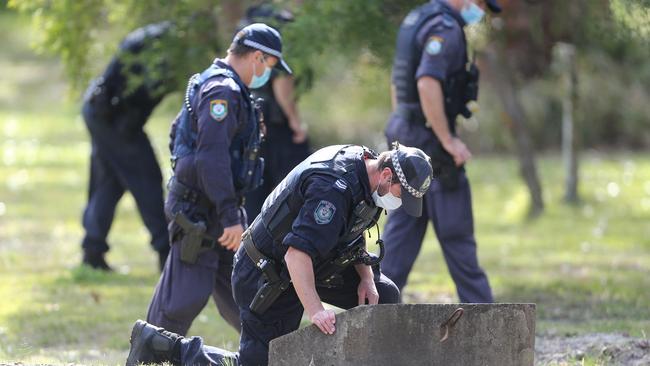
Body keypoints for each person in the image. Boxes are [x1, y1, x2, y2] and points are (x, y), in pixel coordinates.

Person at [126, 143, 434, 366]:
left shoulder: (367, 176)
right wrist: (316, 311)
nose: (399, 203)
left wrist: (366, 277)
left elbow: (354, 231)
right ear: (388, 175)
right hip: (266, 273)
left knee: (383, 295)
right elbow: (296, 255)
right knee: (263, 364)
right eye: (401, 195)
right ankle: (161, 345)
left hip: (316, 263)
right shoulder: (333, 187)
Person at [144, 23, 290, 337]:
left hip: (218, 211)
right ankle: (148, 357)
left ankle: (270, 354)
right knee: (181, 300)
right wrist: (228, 215)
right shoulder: (222, 91)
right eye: (271, 66)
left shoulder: (219, 84)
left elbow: (179, 136)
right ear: (257, 57)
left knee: (248, 299)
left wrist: (230, 212)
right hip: (200, 214)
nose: (269, 75)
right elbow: (210, 156)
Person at [382, 0, 502, 303]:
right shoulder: (445, 28)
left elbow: (398, 81)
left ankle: (370, 319)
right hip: (431, 146)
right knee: (458, 237)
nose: (480, 11)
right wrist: (447, 140)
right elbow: (426, 82)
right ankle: (484, 324)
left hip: (405, 132)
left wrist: (406, 124)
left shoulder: (418, 18)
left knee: (400, 236)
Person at [80, 21, 178, 271]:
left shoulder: (157, 37)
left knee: (109, 182)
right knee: (146, 177)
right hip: (114, 117)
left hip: (107, 114)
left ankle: (93, 250)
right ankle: (165, 252)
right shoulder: (163, 45)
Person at [239, 3, 311, 225]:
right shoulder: (283, 36)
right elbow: (283, 83)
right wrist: (296, 122)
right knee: (295, 194)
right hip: (276, 128)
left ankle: (247, 251)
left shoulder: (250, 34)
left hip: (248, 124)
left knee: (253, 194)